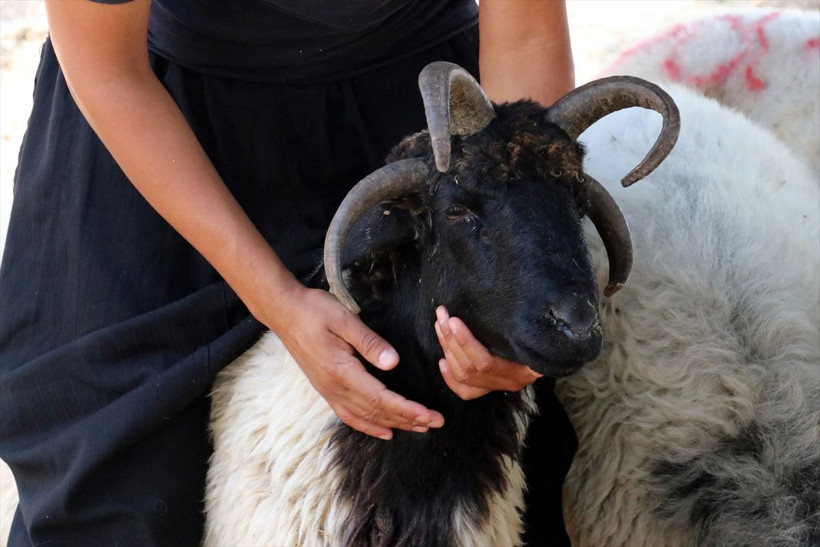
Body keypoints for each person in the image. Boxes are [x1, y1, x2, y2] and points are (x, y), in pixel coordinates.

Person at [0, 0, 577, 545]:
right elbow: (106, 68)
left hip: (427, 136)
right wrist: (277, 299)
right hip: (161, 126)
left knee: (530, 465)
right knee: (112, 491)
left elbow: (525, 31)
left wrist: (520, 269)